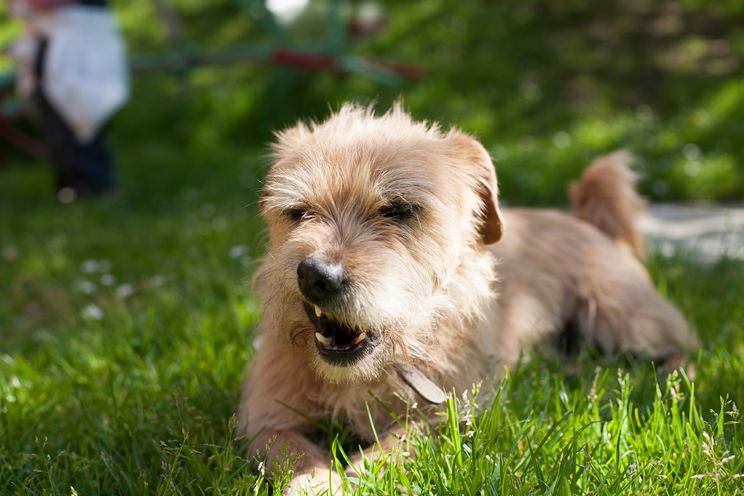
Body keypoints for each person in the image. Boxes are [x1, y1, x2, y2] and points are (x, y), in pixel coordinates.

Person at [8, 0, 129, 202]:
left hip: (77, 42)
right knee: (57, 122)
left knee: (80, 114)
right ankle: (72, 188)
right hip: (57, 38)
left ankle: (95, 190)